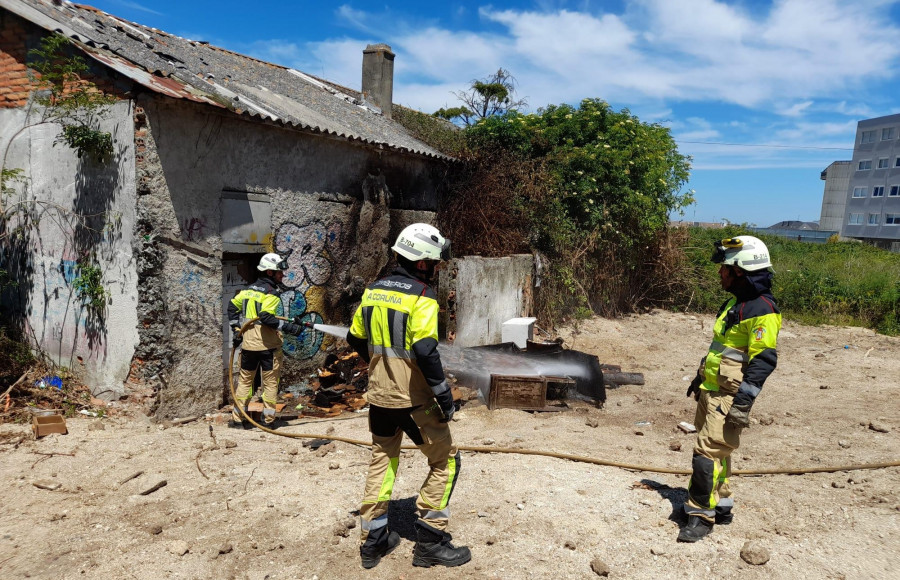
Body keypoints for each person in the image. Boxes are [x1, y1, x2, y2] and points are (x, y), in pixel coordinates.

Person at [346, 223, 471, 570]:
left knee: (382, 460)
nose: (435, 269)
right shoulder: (421, 296)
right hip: (414, 400)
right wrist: (443, 394)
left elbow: (355, 338)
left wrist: (380, 364)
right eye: (434, 263)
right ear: (420, 262)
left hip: (380, 397)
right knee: (446, 461)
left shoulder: (373, 291)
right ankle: (431, 540)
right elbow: (426, 350)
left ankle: (373, 542)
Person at [679, 235, 782, 542]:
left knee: (705, 454)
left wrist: (743, 402)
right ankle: (721, 503)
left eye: (725, 268)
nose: (720, 273)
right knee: (717, 452)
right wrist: (701, 379)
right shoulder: (736, 304)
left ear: (742, 270)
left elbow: (763, 360)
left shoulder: (762, 309)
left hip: (728, 396)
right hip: (712, 389)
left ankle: (700, 515)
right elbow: (721, 347)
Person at [227, 253, 304, 428]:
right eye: (279, 272)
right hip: (268, 348)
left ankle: (238, 420)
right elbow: (266, 317)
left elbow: (232, 306)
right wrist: (289, 328)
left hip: (248, 345)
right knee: (269, 385)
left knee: (245, 382)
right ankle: (268, 421)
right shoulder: (272, 293)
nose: (282, 275)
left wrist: (236, 329)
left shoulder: (248, 290)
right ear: (269, 272)